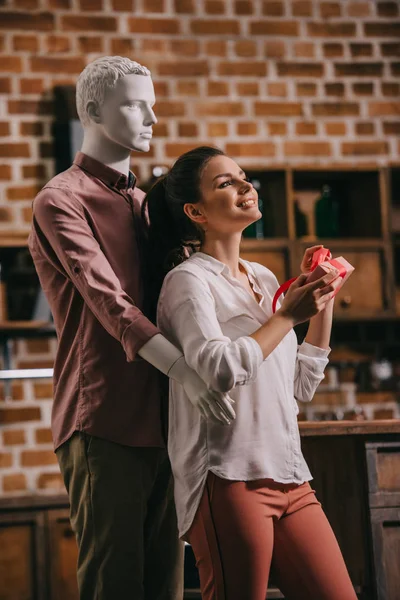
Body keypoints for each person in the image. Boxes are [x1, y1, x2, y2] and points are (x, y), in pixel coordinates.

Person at [28, 58, 235, 600]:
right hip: (104, 419)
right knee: (115, 586)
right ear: (93, 111)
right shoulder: (60, 201)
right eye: (134, 104)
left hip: (169, 422)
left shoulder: (147, 205)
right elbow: (109, 302)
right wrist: (186, 372)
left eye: (153, 103)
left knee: (166, 585)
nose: (152, 117)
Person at [143, 146, 358, 600]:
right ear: (195, 211)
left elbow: (299, 386)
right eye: (226, 182)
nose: (245, 186)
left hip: (291, 478)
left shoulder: (262, 278)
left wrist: (322, 298)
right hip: (228, 480)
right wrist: (286, 317)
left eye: (244, 177)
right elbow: (219, 369)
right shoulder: (187, 282)